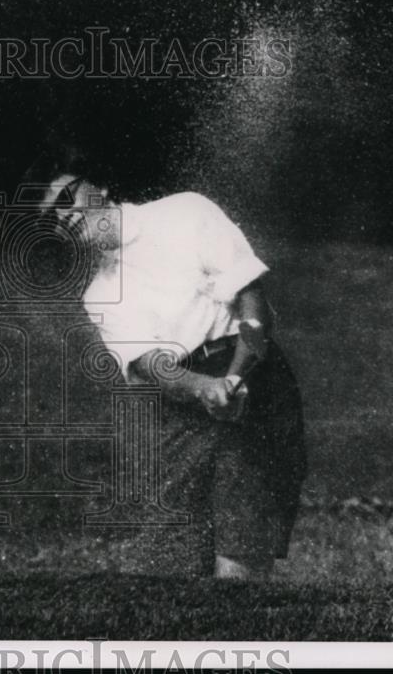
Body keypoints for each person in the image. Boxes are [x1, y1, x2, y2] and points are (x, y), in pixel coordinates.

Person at [39, 172, 306, 580]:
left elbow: (254, 306)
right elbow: (149, 364)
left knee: (241, 555)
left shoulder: (186, 211)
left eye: (67, 197)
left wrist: (232, 379)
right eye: (51, 217)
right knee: (172, 568)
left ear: (100, 187)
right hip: (185, 401)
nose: (66, 215)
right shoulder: (99, 292)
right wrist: (204, 389)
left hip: (252, 378)